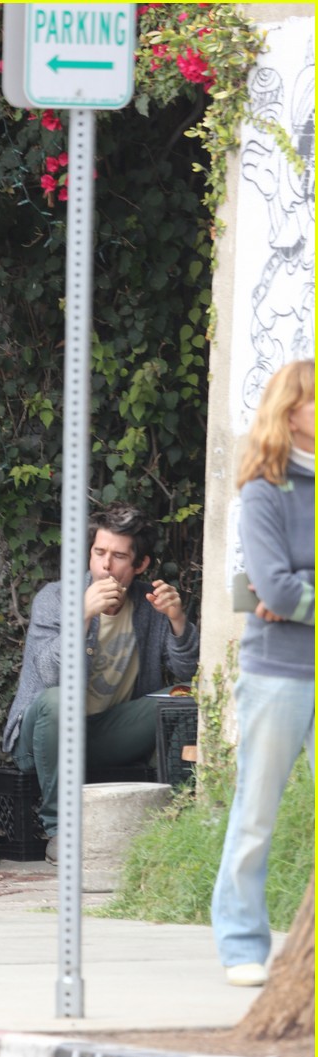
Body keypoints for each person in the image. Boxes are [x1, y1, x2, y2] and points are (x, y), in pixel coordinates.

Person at [3, 503, 200, 862]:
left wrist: (177, 621)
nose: (105, 565)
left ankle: (179, 820)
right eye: (99, 552)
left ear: (140, 565)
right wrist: (83, 615)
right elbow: (49, 676)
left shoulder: (147, 604)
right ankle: (60, 830)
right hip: (41, 738)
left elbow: (187, 672)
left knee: (183, 699)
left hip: (106, 733)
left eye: (119, 556)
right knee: (60, 701)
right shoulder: (57, 598)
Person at [212, 360, 314, 987]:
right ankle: (242, 943)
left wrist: (296, 597)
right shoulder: (263, 490)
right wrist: (286, 591)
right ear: (292, 411)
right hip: (278, 673)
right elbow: (270, 584)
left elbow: (283, 591)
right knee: (256, 812)